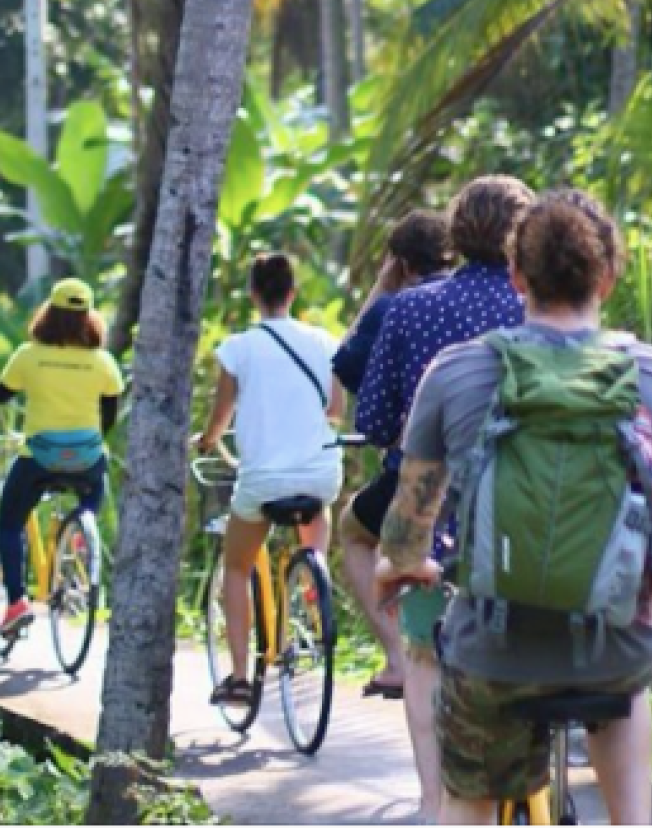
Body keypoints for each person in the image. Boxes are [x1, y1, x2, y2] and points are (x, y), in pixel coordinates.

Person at [375, 190, 652, 828]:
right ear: (609, 276)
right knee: (627, 683)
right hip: (616, 651)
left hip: (494, 650)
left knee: (466, 801)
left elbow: (405, 537)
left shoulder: (454, 375)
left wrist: (406, 570)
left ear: (516, 276)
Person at [355, 175, 532, 825]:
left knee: (426, 654)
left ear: (455, 233)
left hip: (430, 521)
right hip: (533, 519)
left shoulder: (408, 308)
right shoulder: (540, 309)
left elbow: (373, 419)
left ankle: (435, 804)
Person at [194, 253, 344, 707]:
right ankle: (313, 601)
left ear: (254, 295)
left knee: (237, 568)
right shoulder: (323, 342)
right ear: (293, 294)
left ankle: (239, 678)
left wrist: (206, 441)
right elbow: (335, 411)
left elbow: (221, 419)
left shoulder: (239, 348)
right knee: (315, 526)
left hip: (262, 481)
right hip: (319, 473)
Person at [332, 210, 454, 700]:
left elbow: (346, 365)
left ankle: (398, 658)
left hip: (418, 474)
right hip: (483, 471)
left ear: (401, 263)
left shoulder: (397, 306)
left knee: (355, 531)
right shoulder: (493, 301)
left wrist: (380, 291)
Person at [0, 278, 124, 639]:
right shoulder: (101, 362)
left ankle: (16, 603)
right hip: (86, 459)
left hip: (38, 458)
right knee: (91, 494)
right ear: (89, 318)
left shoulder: (29, 355)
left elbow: (2, 394)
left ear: (49, 314)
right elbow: (110, 411)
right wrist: (92, 441)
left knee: (9, 524)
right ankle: (80, 536)